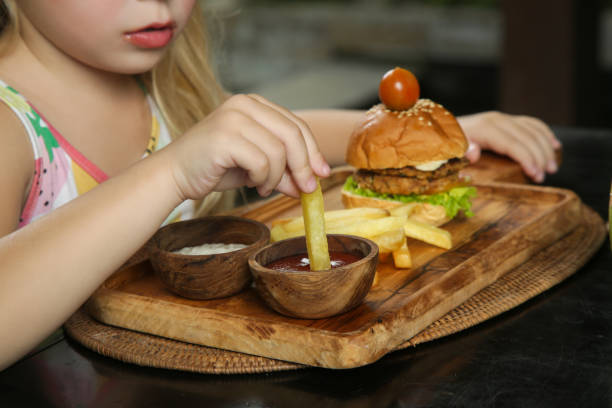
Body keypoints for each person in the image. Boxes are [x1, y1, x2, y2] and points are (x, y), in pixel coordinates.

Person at [0, 0, 560, 370]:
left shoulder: (162, 93)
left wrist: (449, 129)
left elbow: (287, 132)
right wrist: (171, 171)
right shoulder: (10, 125)